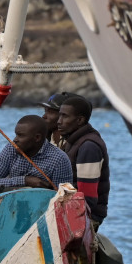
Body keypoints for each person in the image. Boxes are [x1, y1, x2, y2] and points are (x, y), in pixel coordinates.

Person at [57, 95, 110, 228]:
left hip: (88, 216)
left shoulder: (88, 147)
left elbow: (87, 198)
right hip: (72, 208)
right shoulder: (73, 141)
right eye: (59, 116)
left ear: (80, 120)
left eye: (65, 116)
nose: (59, 121)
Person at [0, 115, 72, 192]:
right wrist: (25, 181)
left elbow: (64, 196)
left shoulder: (59, 159)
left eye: (21, 135)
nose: (15, 140)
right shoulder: (11, 148)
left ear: (37, 138)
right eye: (16, 134)